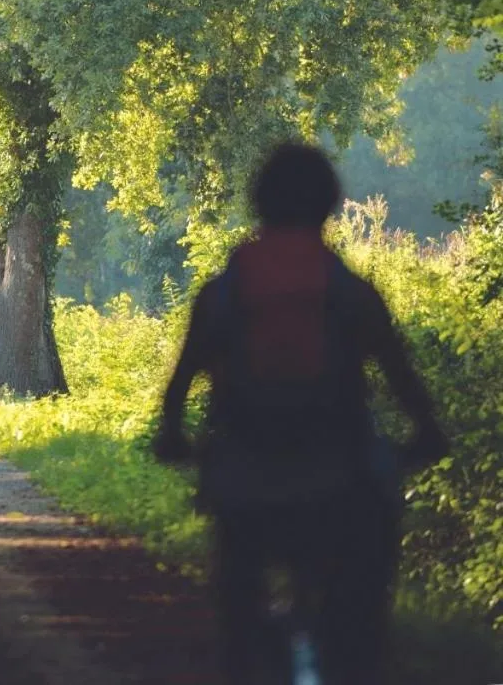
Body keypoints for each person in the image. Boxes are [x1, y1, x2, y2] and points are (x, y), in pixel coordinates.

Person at [152, 142, 448, 685]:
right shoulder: (352, 293)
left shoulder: (222, 294)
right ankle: (358, 656)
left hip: (245, 476)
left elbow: (178, 388)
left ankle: (241, 650)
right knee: (363, 588)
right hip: (342, 476)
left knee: (238, 602)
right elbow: (406, 385)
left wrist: (173, 438)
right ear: (329, 207)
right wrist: (427, 435)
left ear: (258, 204)